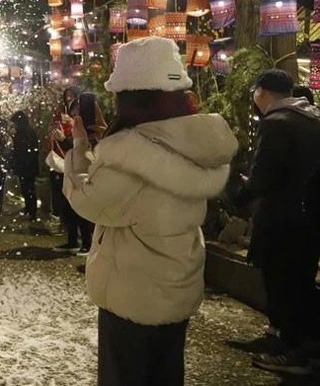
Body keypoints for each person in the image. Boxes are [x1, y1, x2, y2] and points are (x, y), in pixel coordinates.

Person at [63, 37, 238, 386]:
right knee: (165, 374)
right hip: (176, 286)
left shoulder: (130, 156)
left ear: (130, 97)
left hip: (134, 293)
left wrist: (78, 150)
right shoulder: (191, 143)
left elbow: (89, 201)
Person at [236, 69, 320, 375]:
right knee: (299, 280)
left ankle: (296, 351)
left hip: (283, 217)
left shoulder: (276, 122)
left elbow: (264, 175)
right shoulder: (311, 116)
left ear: (261, 92)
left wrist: (238, 196)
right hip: (309, 216)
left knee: (283, 282)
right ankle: (289, 342)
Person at [53, 88, 107, 253]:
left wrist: (68, 138)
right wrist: (63, 139)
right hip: (72, 171)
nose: (75, 114)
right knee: (70, 208)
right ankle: (73, 241)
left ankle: (87, 243)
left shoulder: (97, 131)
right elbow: (74, 149)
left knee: (84, 208)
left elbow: (84, 151)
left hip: (86, 172)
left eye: (78, 110)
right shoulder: (74, 125)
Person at [9, 110, 40, 221]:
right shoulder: (26, 132)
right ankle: (29, 210)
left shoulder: (24, 133)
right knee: (27, 189)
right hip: (26, 166)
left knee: (28, 189)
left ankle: (31, 212)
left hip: (26, 167)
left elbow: (24, 151)